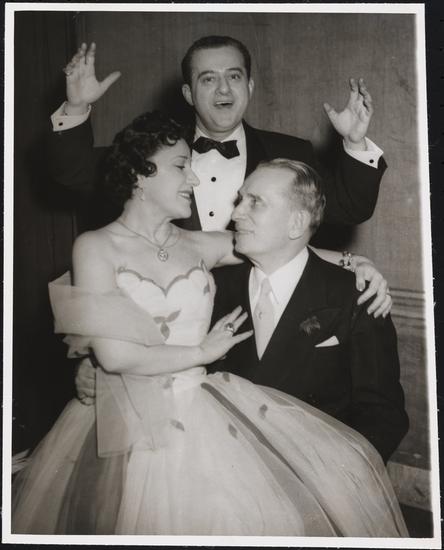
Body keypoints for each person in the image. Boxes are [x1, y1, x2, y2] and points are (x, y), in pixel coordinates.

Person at [12, 112, 408, 536]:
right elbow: (114, 350)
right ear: (141, 175)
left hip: (226, 429)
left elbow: (287, 247)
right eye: (181, 166)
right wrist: (102, 365)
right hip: (136, 425)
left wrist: (355, 261)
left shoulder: (202, 247)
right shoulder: (100, 247)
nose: (195, 179)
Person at [50, 37, 385, 232]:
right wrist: (76, 106)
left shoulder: (292, 152)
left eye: (234, 77)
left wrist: (354, 141)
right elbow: (75, 174)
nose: (223, 89)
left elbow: (350, 209)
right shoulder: (153, 148)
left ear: (249, 87)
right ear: (188, 94)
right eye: (208, 79)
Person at [210, 160, 409, 464]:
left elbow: (382, 414)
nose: (236, 213)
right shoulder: (214, 288)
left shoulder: (356, 296)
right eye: (240, 199)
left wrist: (337, 476)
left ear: (297, 223)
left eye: (255, 202)